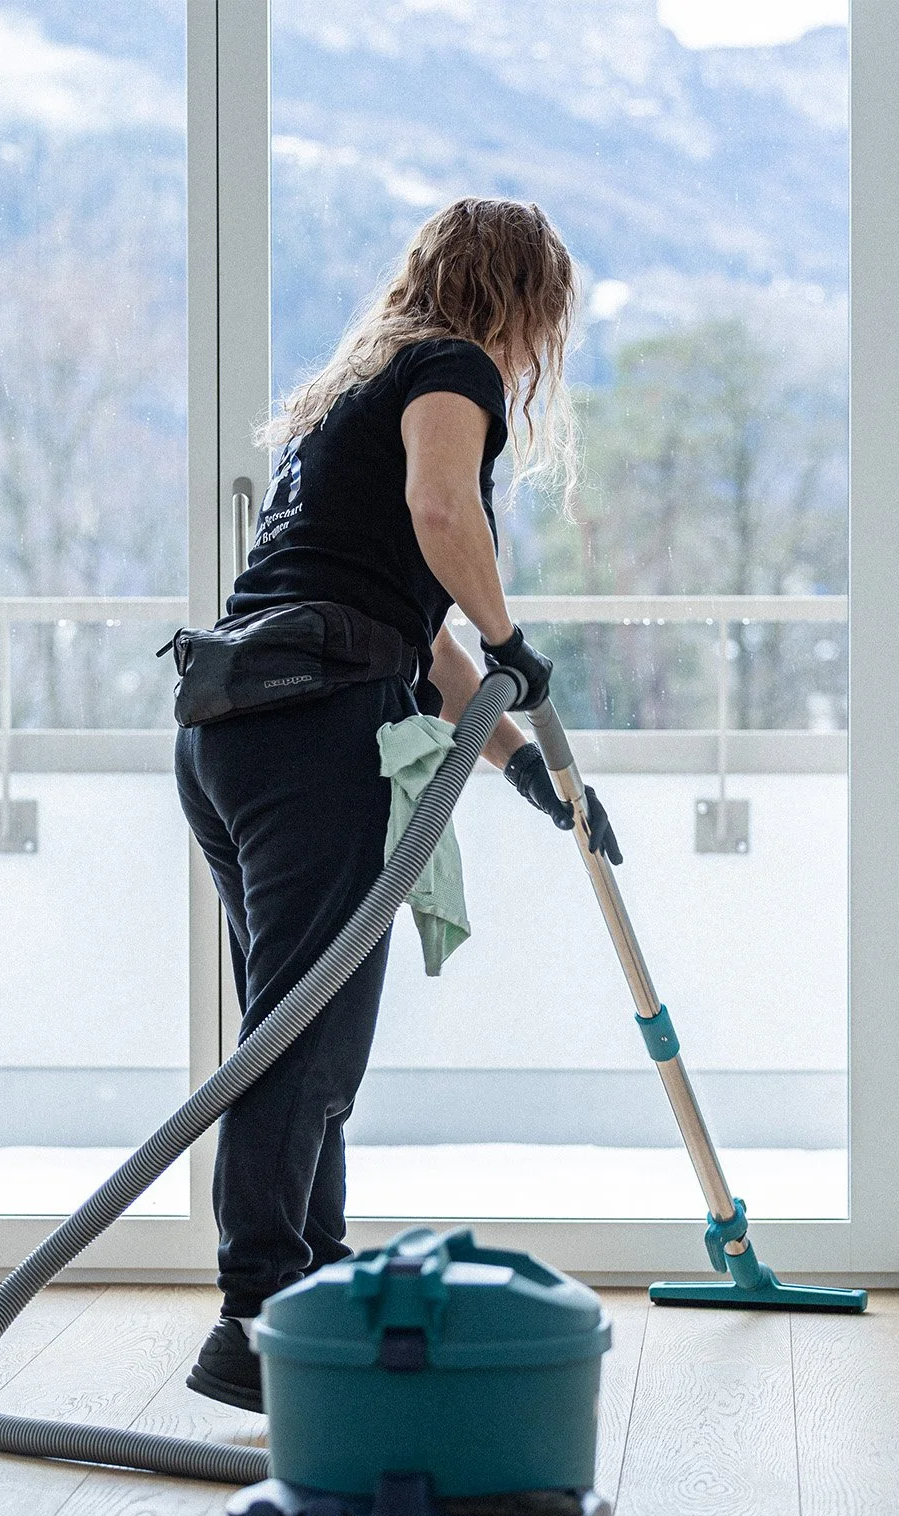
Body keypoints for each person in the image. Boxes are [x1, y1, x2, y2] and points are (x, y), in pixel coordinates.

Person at [176, 197, 620, 1411]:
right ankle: (258, 1313)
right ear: (520, 301)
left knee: (300, 1029)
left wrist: (523, 763)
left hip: (235, 728)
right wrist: (512, 628)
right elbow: (444, 515)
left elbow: (419, 641)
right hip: (310, 729)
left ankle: (309, 1282)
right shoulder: (450, 367)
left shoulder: (357, 392)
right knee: (303, 1036)